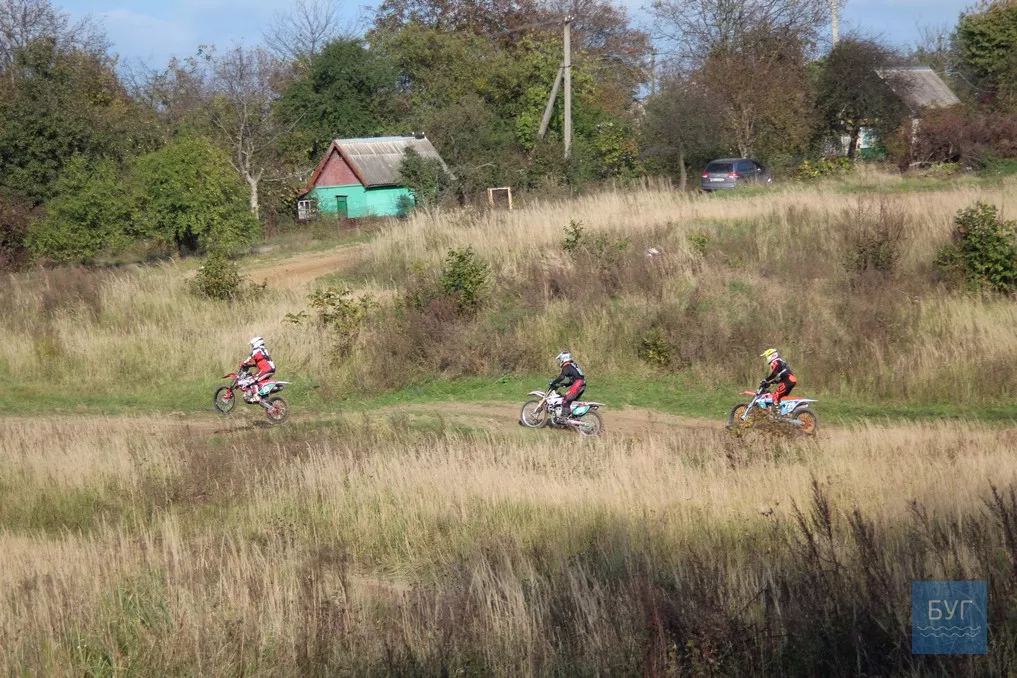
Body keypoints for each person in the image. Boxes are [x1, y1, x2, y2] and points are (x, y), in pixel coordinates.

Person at [549, 350, 585, 419]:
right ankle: (573, 417)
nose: (560, 361)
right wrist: (565, 385)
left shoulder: (567, 366)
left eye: (560, 359)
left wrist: (554, 382)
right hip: (582, 384)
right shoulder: (572, 365)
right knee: (572, 402)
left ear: (563, 358)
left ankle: (563, 419)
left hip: (578, 383)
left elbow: (561, 377)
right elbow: (577, 376)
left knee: (565, 399)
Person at [759, 348, 796, 414]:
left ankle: (778, 415)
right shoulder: (780, 362)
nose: (767, 359)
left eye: (767, 357)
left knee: (775, 397)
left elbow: (774, 373)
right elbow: (782, 375)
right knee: (779, 398)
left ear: (771, 355)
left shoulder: (775, 361)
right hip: (790, 380)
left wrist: (766, 380)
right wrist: (771, 382)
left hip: (788, 381)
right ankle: (786, 413)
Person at [239, 336, 276, 403]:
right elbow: (263, 360)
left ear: (256, 343)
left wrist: (243, 363)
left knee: (252, 380)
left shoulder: (257, 350)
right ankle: (264, 397)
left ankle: (256, 396)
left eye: (252, 345)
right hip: (271, 368)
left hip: (265, 369)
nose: (252, 346)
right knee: (259, 382)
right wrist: (252, 365)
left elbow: (251, 358)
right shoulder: (263, 349)